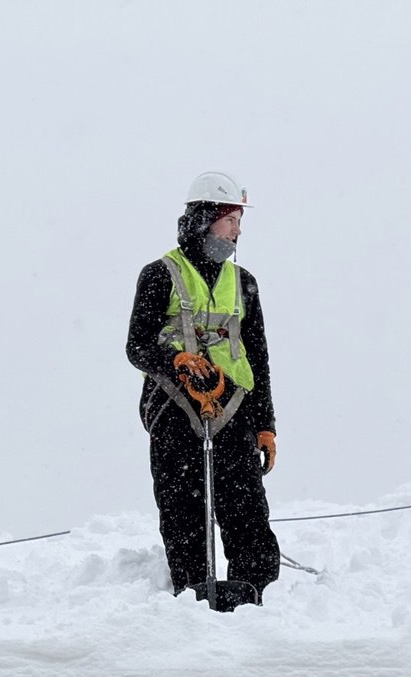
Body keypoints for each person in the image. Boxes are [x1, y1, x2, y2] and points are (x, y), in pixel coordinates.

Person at [126, 171, 281, 599]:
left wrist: (265, 424)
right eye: (232, 220)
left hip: (234, 408)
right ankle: (192, 596)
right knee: (182, 509)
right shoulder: (160, 275)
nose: (238, 230)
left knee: (246, 507)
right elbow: (136, 346)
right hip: (173, 405)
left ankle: (256, 593)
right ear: (205, 219)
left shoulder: (244, 282)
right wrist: (175, 360)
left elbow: (258, 358)